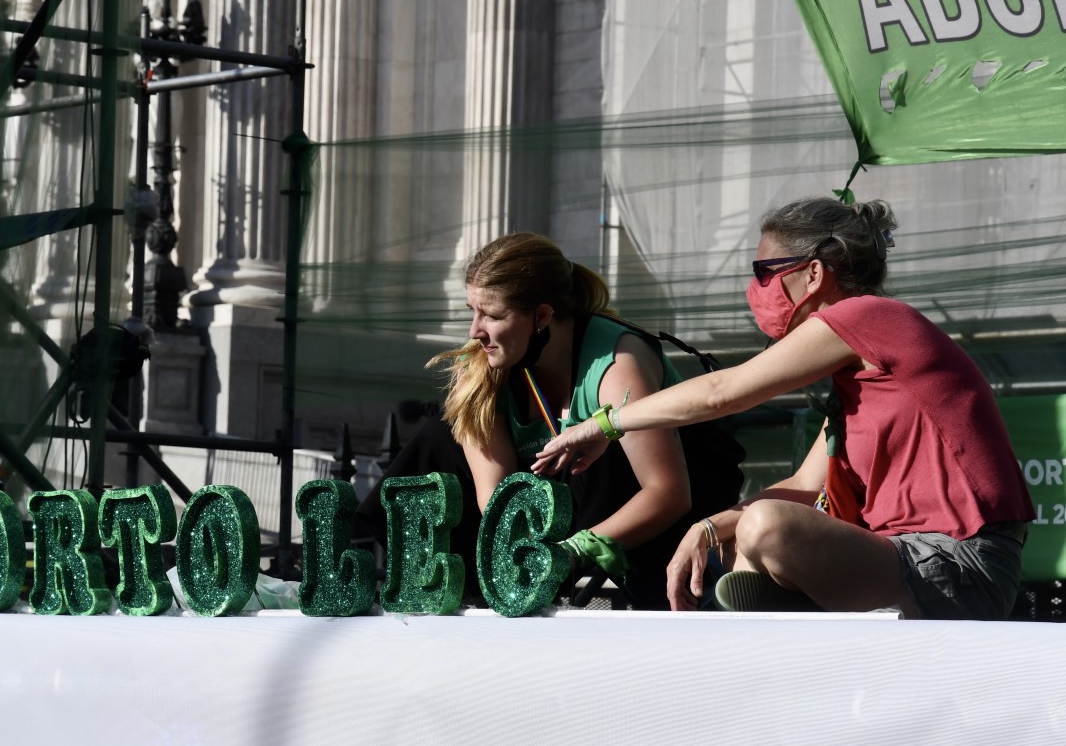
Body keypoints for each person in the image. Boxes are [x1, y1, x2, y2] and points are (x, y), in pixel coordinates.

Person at [533, 197, 1035, 620]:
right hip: (907, 559)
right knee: (743, 532)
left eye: (764, 272)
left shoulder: (871, 316)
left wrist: (604, 424)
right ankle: (760, 639)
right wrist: (706, 526)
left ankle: (771, 623)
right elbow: (803, 485)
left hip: (959, 563)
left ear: (813, 273)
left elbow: (722, 392)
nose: (756, 290)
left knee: (765, 526)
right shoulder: (859, 380)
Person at [357, 232, 738, 610]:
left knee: (607, 458)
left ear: (541, 316)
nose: (475, 330)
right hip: (561, 502)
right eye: (473, 311)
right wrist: (517, 554)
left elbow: (669, 493)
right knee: (439, 437)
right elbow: (497, 499)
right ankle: (465, 596)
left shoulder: (619, 363)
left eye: (491, 314)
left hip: (665, 503)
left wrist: (571, 551)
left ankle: (651, 602)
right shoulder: (482, 365)